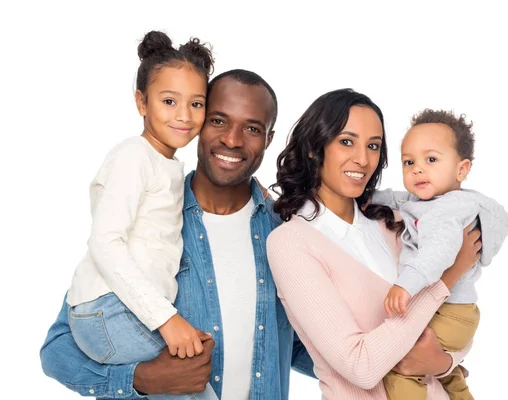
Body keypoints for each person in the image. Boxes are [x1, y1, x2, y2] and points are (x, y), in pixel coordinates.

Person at [40, 68, 314, 400]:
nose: (232, 139)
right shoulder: (152, 218)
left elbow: (304, 343)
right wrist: (140, 379)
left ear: (269, 138)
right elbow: (58, 349)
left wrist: (383, 362)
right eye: (218, 120)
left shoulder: (285, 234)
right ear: (198, 123)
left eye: (252, 128)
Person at [266, 89, 481, 399]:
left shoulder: (395, 221)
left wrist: (445, 363)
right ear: (314, 148)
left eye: (373, 146)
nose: (363, 159)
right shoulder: (291, 244)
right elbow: (361, 367)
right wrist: (448, 277)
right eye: (346, 142)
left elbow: (455, 324)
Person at [63, 30, 217, 400]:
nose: (184, 115)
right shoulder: (134, 155)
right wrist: (167, 320)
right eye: (169, 101)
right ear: (141, 102)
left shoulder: (168, 165)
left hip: (121, 309)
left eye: (196, 104)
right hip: (108, 310)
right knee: (194, 383)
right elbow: (105, 241)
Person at [372, 109, 508, 400]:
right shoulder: (425, 199)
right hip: (460, 311)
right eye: (408, 162)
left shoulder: (447, 211)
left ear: (461, 170)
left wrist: (405, 285)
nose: (417, 169)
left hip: (448, 312)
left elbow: (438, 254)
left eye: (431, 159)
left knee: (402, 365)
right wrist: (364, 196)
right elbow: (394, 198)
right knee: (444, 372)